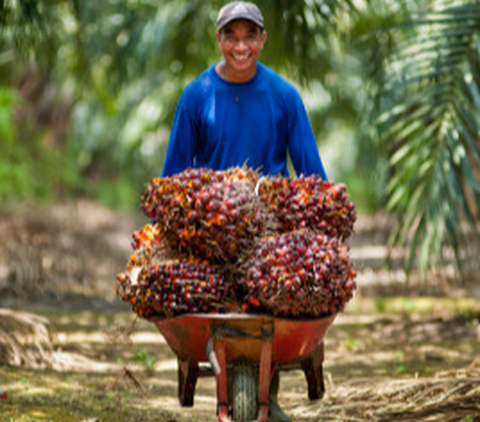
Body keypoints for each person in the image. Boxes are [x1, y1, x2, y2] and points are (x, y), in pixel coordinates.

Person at [161, 2, 328, 421]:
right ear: (218, 40)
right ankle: (254, 396)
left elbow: (312, 176)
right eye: (231, 36)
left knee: (272, 305)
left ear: (262, 40)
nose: (241, 46)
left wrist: (323, 225)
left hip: (269, 238)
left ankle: (263, 393)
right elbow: (174, 178)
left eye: (249, 36)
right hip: (211, 235)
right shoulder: (196, 98)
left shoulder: (284, 97)